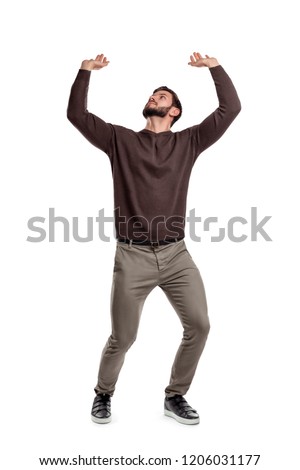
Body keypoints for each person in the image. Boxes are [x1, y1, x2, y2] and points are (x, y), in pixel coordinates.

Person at [67, 51, 241, 425]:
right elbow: (77, 116)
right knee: (123, 338)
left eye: (162, 96)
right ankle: (103, 393)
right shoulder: (120, 140)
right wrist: (85, 73)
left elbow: (230, 109)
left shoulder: (189, 142)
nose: (154, 97)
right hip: (132, 258)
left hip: (177, 256)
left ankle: (175, 396)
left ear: (175, 111)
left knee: (200, 325)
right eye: (152, 95)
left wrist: (214, 68)